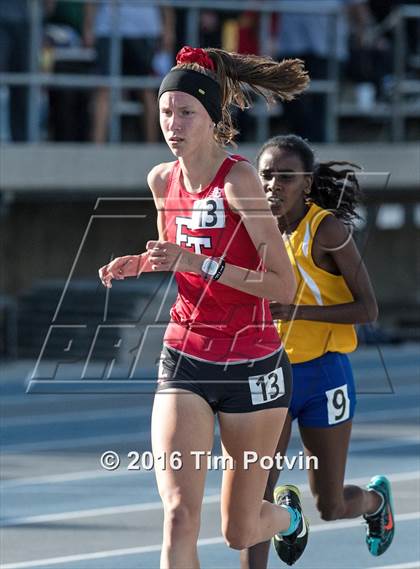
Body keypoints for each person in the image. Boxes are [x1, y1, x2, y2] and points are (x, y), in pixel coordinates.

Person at [99, 46, 310, 568]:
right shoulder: (161, 181)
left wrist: (200, 263)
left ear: (214, 119)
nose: (172, 123)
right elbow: (178, 258)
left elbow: (283, 286)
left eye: (186, 112)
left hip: (253, 363)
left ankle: (288, 515)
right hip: (186, 356)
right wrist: (144, 264)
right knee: (178, 514)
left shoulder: (239, 183)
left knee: (240, 531)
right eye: (165, 110)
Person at [240, 134, 395, 568]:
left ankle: (374, 502)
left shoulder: (326, 229)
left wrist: (298, 312)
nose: (273, 185)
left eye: (285, 177)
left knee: (330, 504)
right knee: (255, 495)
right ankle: (285, 519)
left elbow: (369, 308)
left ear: (307, 183)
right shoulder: (251, 228)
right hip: (270, 376)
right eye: (266, 175)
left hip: (323, 377)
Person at [83, 2, 175, 143]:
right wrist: (88, 26)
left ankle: (151, 146)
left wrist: (168, 28)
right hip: (107, 28)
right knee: (104, 88)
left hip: (144, 30)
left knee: (146, 88)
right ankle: (97, 147)